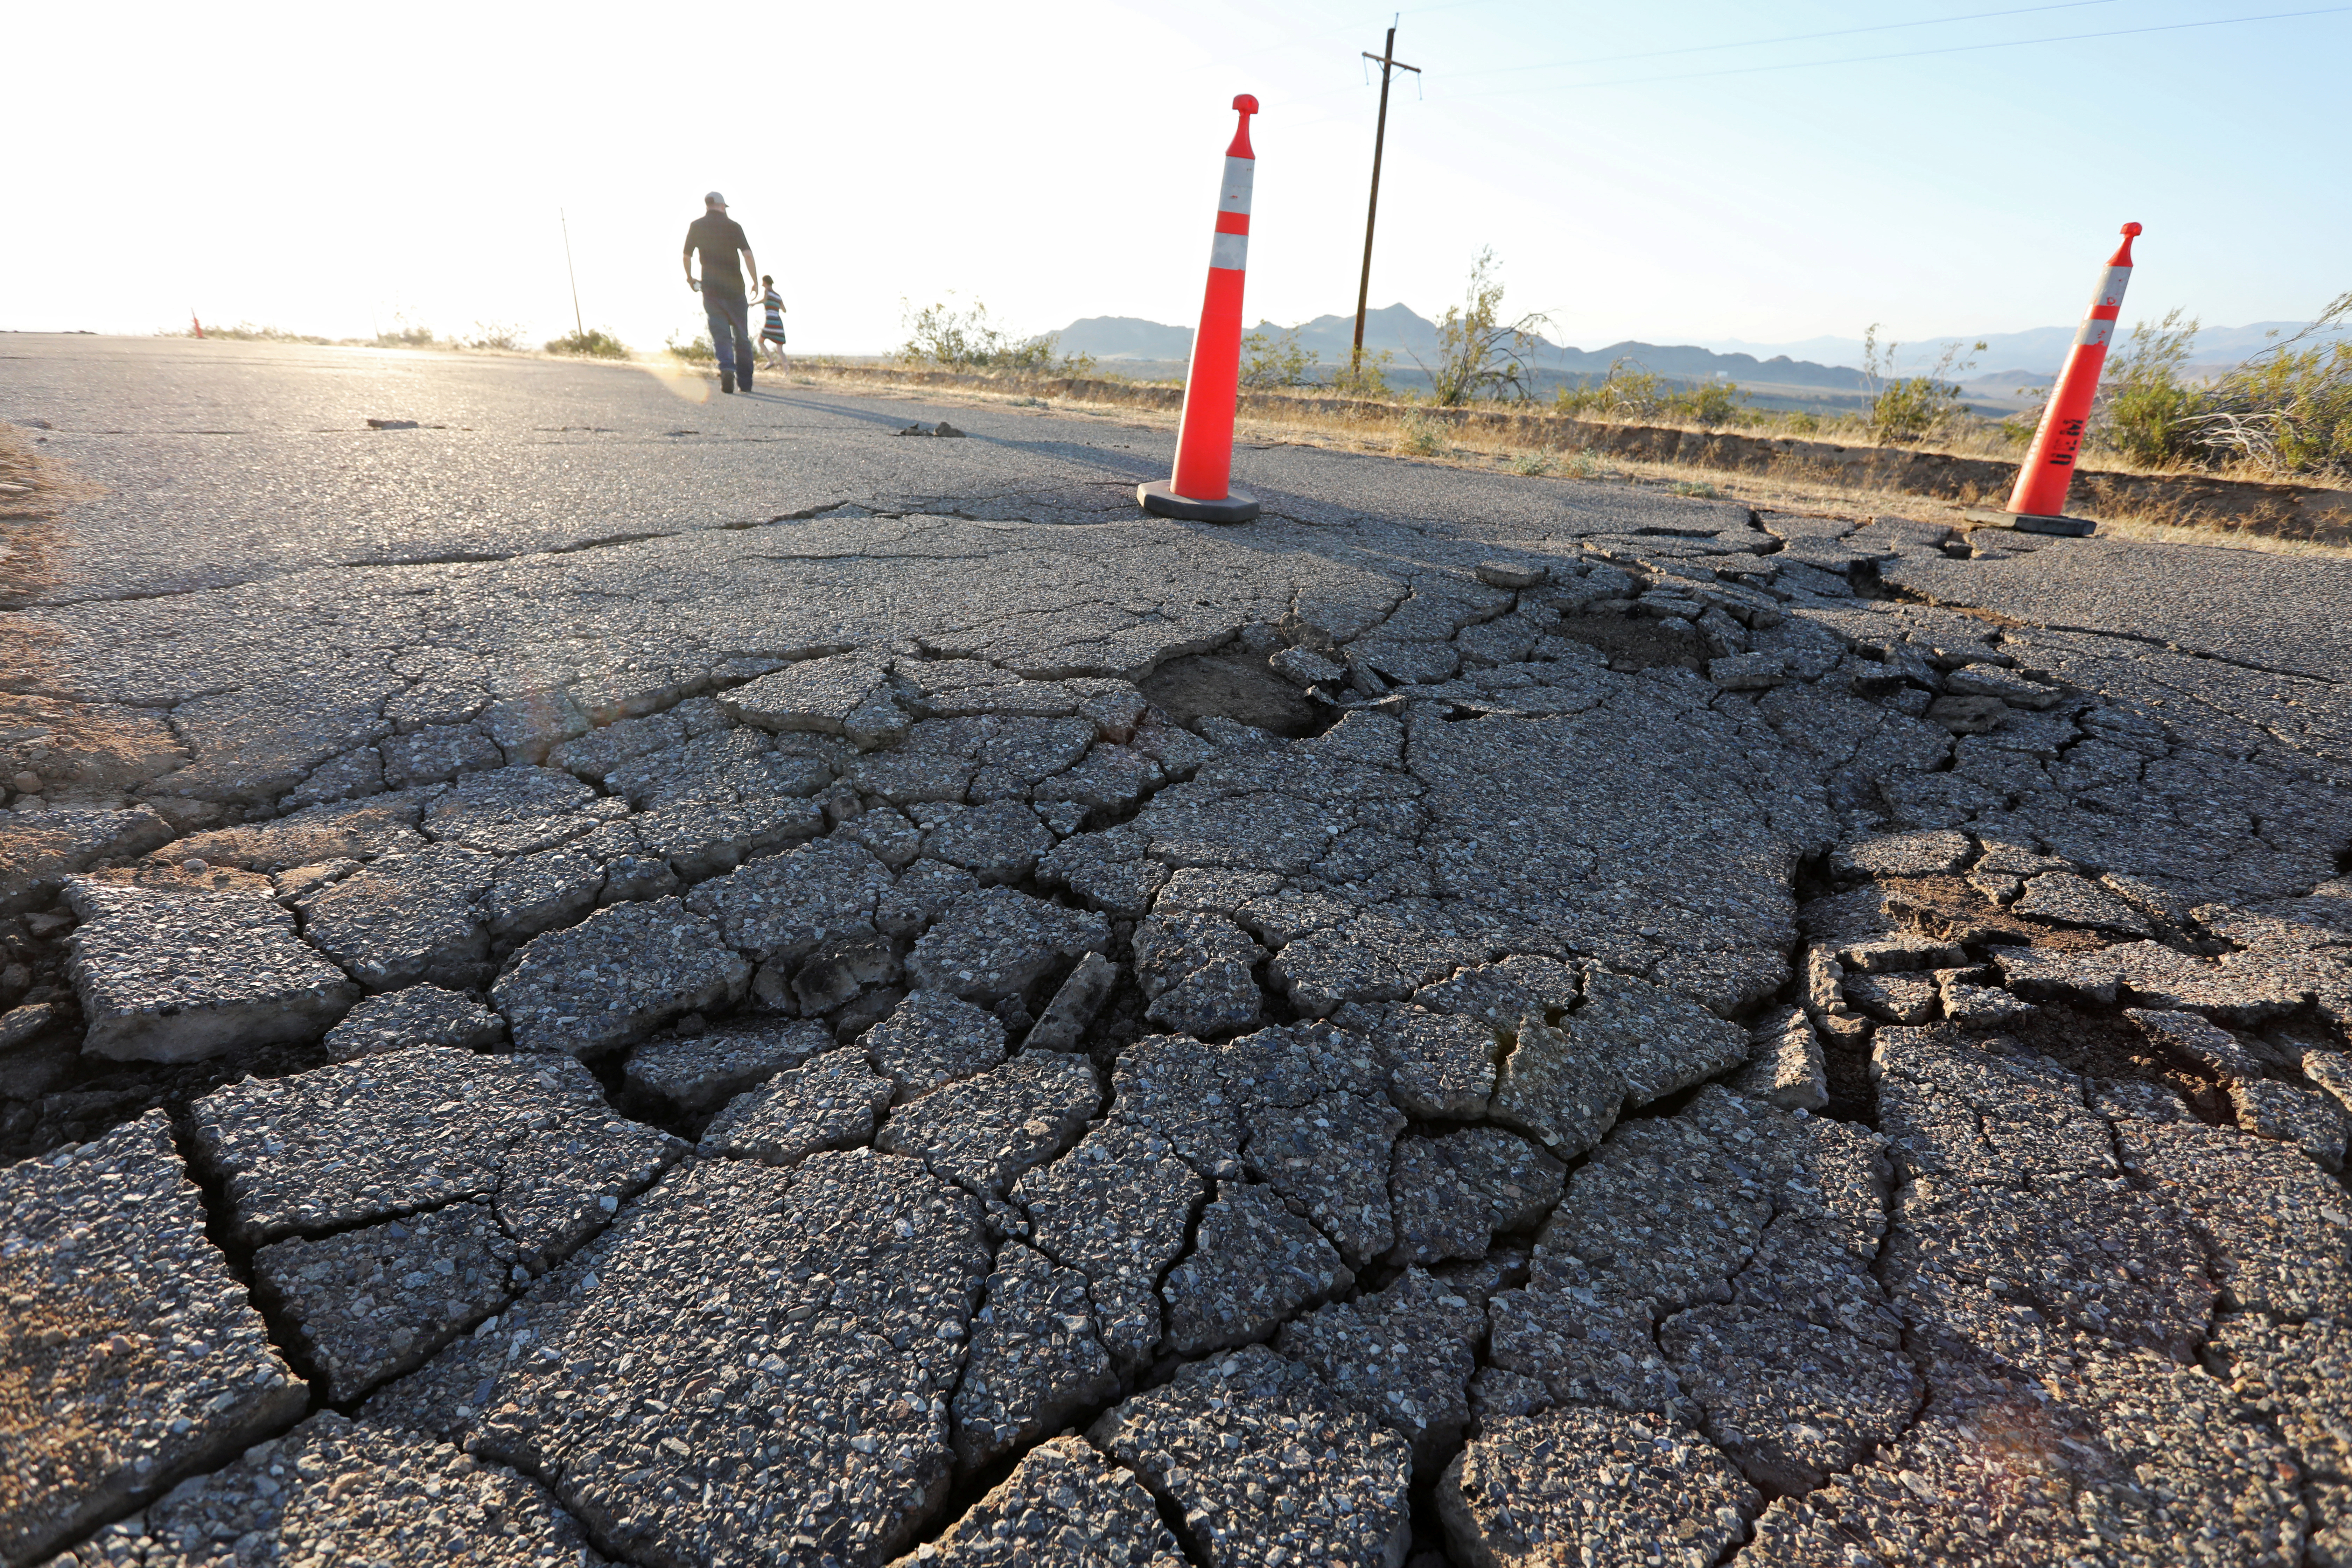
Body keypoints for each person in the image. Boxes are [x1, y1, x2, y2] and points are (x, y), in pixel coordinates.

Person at [682, 192, 759, 393]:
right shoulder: (734, 227)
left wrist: (690, 278)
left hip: (711, 288)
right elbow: (748, 256)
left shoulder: (697, 226)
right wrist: (756, 282)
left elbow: (687, 256)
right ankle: (746, 382)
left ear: (708, 206)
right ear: (722, 206)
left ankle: (726, 368)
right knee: (742, 336)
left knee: (721, 334)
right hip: (735, 289)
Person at [758, 275, 788, 374]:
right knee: (780, 349)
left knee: (761, 341)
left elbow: (764, 300)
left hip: (770, 321)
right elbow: (784, 310)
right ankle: (786, 372)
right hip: (778, 324)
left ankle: (771, 361)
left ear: (765, 282)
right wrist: (776, 306)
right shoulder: (778, 296)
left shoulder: (767, 291)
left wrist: (753, 304)